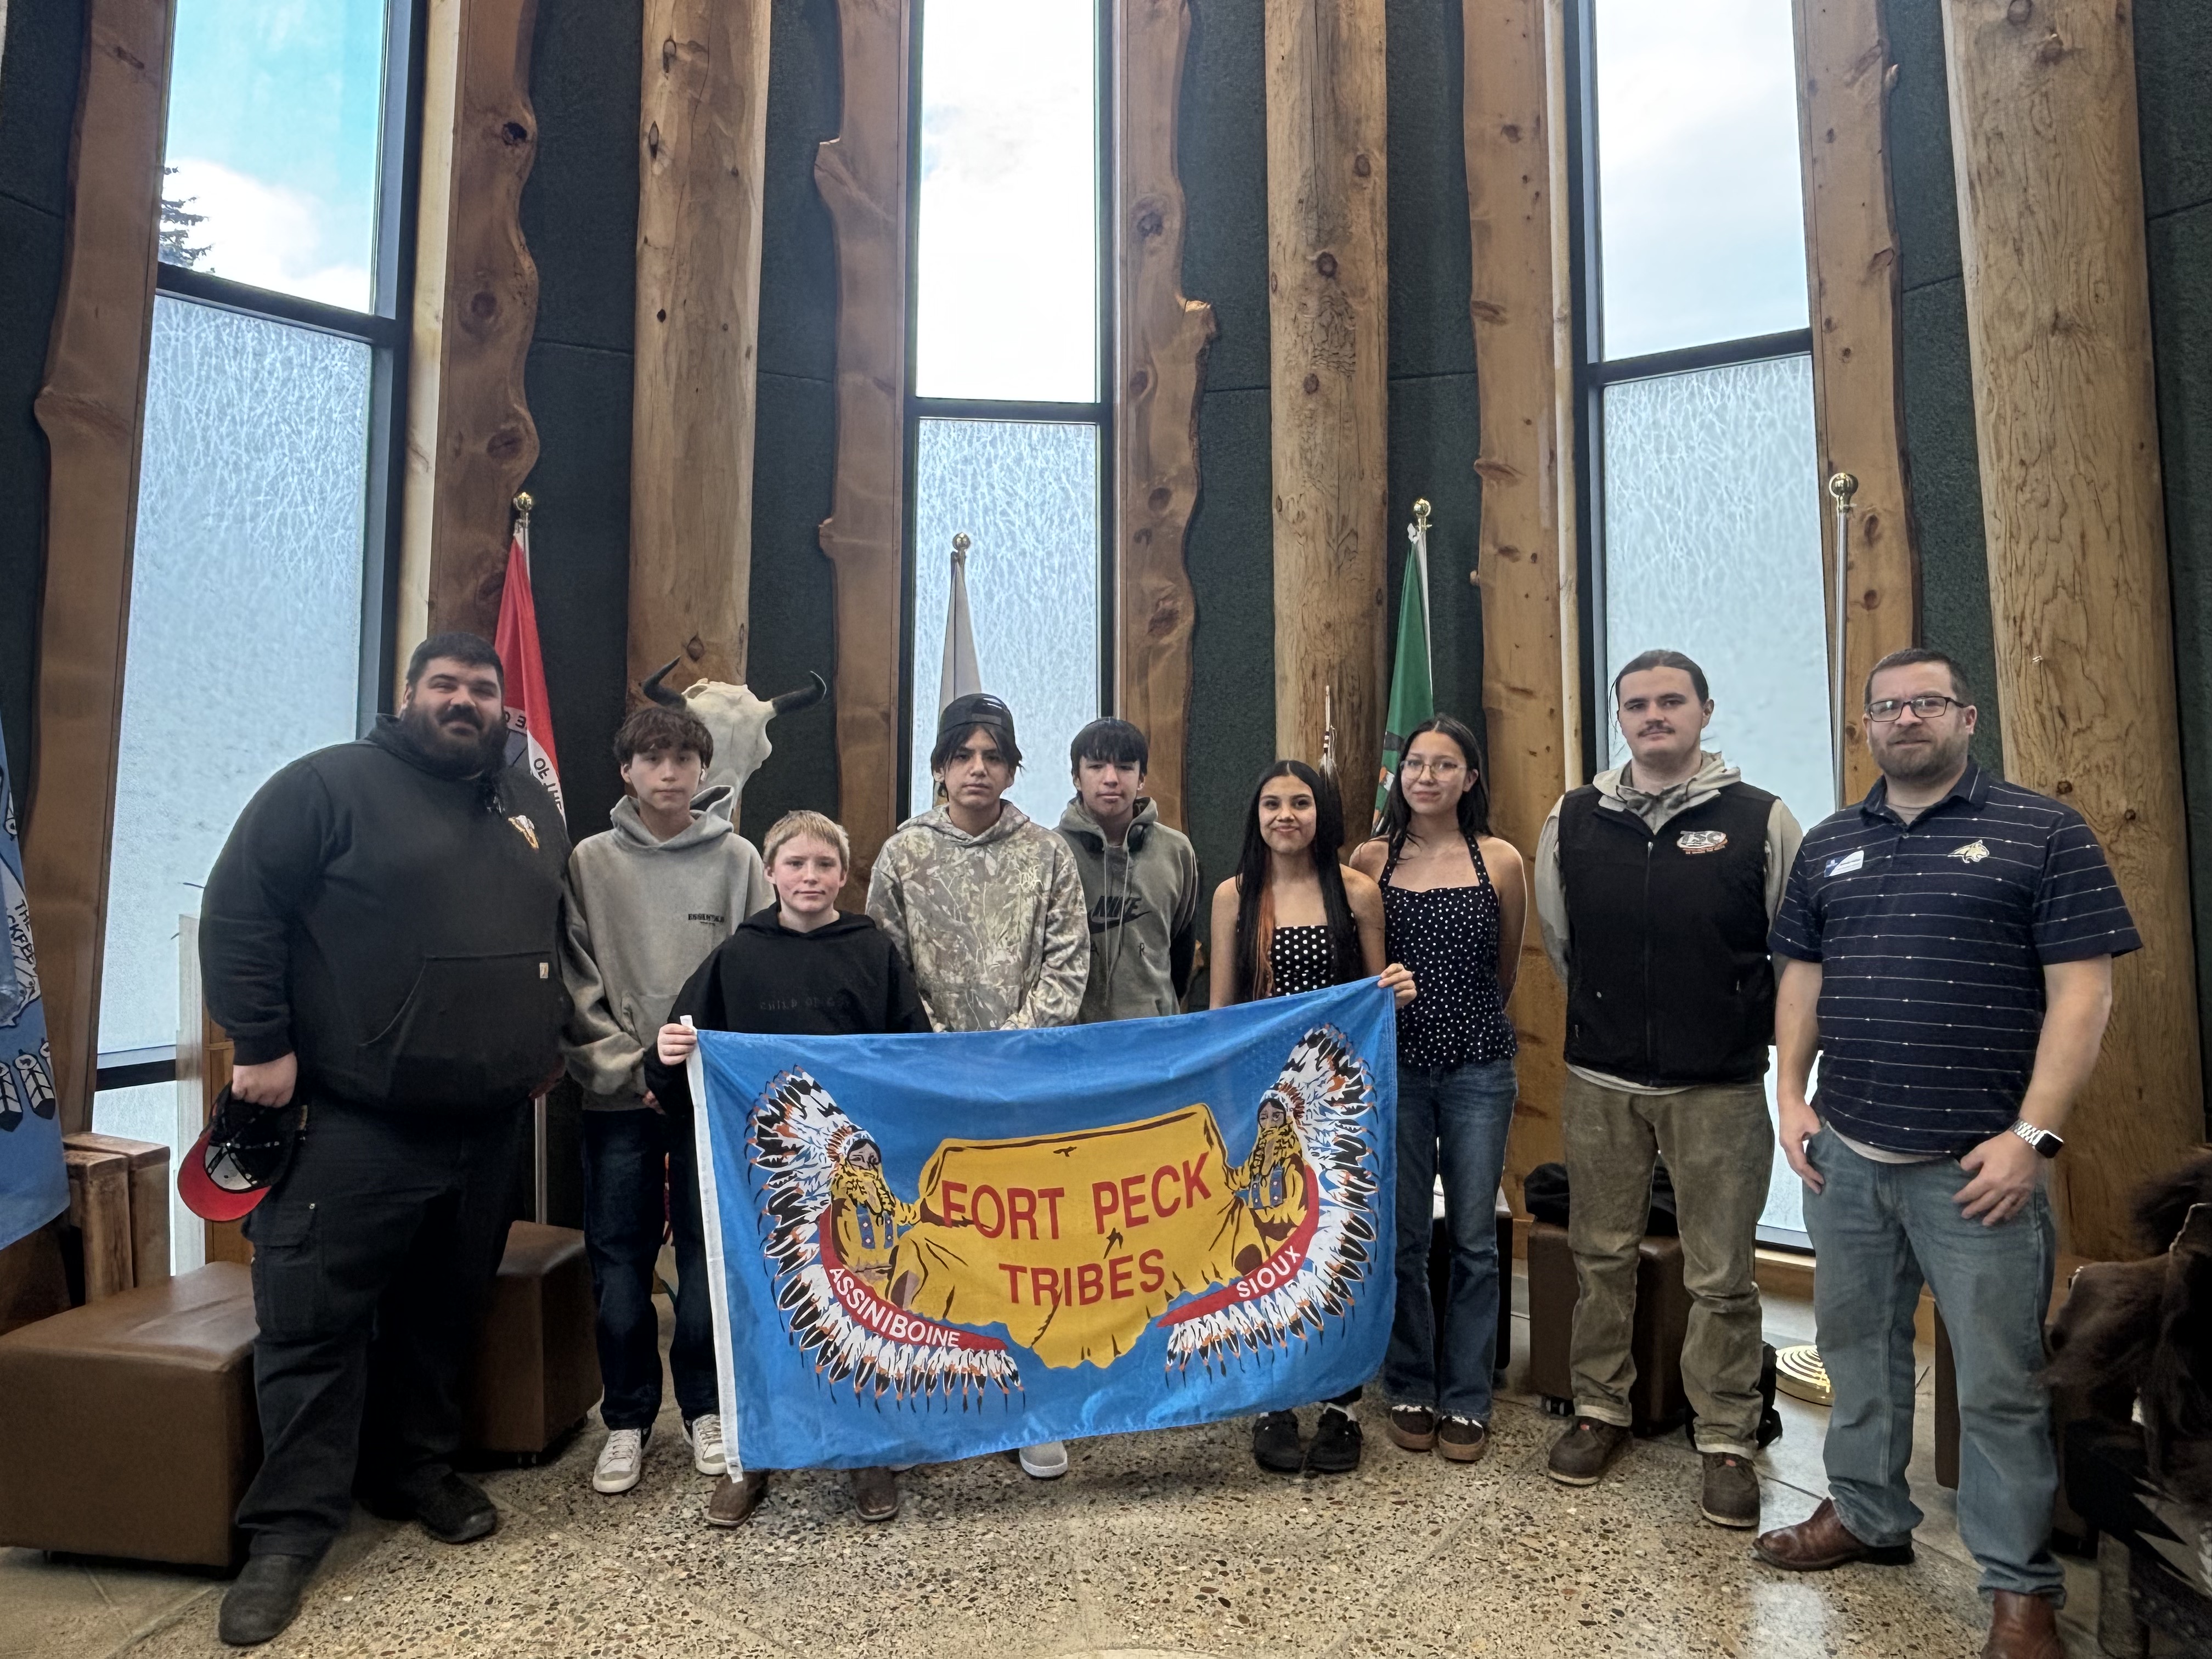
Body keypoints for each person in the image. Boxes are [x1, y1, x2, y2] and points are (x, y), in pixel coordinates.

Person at [1755, 648, 2135, 1659]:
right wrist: (1789, 1097)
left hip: (1978, 1169)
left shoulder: (2042, 831)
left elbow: (2084, 994)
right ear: (1867, 728)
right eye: (1886, 707)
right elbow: (1803, 979)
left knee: (2000, 1383)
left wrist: (2032, 1138)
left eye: (1926, 702)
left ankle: (2019, 1588)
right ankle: (1867, 1512)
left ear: (1967, 717)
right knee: (1856, 1351)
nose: (1905, 718)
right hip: (1845, 1153)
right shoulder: (1831, 843)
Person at [199, 634, 569, 1647]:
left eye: (482, 689)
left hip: (487, 1125)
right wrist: (260, 1042)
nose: (464, 701)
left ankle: (412, 1471)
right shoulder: (326, 786)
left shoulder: (526, 804)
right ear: (406, 694)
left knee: (442, 1314)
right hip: (354, 1119)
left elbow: (547, 933)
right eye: (444, 684)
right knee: (313, 1325)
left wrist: (539, 1039)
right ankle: (288, 1531)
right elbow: (239, 910)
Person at [1532, 648, 1802, 1528]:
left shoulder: (1762, 820)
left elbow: (1793, 950)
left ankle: (1725, 1436)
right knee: (1600, 1255)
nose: (1654, 716)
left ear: (1704, 711)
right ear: (1620, 718)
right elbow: (1562, 943)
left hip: (1718, 1086)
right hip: (1601, 1078)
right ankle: (1599, 1408)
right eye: (1638, 704)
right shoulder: (1574, 818)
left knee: (1722, 1274)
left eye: (1671, 701)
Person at [650, 810, 930, 1526]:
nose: (810, 877)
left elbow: (913, 1056)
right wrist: (668, 1055)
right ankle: (753, 1456)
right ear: (770, 872)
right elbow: (677, 1059)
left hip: (853, 1183)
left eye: (824, 864)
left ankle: (866, 1450)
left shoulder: (873, 953)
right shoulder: (737, 957)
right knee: (760, 1313)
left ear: (844, 875)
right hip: (764, 1183)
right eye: (796, 864)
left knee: (860, 1308)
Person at [866, 691, 1087, 1479]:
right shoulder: (902, 855)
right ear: (939, 767)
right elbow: (886, 966)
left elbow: (1068, 964)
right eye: (963, 755)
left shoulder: (1047, 855)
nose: (978, 770)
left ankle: (1032, 1406)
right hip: (931, 1085)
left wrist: (1010, 1049)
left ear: (1013, 769)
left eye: (994, 757)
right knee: (933, 1242)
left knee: (1027, 1247)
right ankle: (930, 1402)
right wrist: (941, 1055)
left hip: (1024, 1086)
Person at [560, 701, 771, 1501]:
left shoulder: (739, 859)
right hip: (620, 1100)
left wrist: (700, 1075)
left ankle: (706, 1409)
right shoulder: (589, 862)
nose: (671, 773)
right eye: (653, 759)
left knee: (709, 1257)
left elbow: (756, 975)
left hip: (709, 1101)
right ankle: (626, 1418)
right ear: (627, 772)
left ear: (703, 770)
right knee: (619, 1260)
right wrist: (636, 1072)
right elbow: (577, 985)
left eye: (685, 759)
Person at [1209, 759, 1415, 1476]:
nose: (1286, 816)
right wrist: (1229, 1104)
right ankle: (1275, 1401)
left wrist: (1395, 990)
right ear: (1256, 815)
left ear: (1322, 812)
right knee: (1271, 1243)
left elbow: (1376, 997)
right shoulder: (1234, 895)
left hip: (1339, 1098)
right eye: (1272, 803)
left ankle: (1341, 1404)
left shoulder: (1356, 891)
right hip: (1262, 1100)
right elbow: (1222, 1010)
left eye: (1300, 802)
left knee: (1336, 1244)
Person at [1348, 715, 1525, 1468]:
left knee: (1477, 1239)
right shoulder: (1370, 859)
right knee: (1405, 1235)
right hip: (1399, 1070)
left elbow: (1507, 967)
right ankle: (1410, 1382)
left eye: (1445, 764)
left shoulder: (1500, 860)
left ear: (1470, 778)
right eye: (1416, 763)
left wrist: (1463, 1015)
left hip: (1480, 1067)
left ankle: (1468, 1395)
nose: (1426, 776)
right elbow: (1361, 969)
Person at [1055, 717, 1203, 1022]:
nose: (1111, 779)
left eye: (1124, 767)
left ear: (1141, 778)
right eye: (1096, 766)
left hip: (1154, 1034)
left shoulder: (1177, 851)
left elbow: (1181, 950)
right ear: (1076, 778)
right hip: (1075, 1036)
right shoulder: (1052, 852)